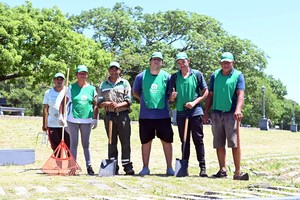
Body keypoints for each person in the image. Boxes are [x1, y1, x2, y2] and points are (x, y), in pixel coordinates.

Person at [203, 52, 249, 180]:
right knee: (218, 143)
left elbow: (241, 94)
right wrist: (206, 111)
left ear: (233, 63)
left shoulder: (238, 75)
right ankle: (222, 170)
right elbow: (210, 95)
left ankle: (237, 172)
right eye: (223, 62)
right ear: (220, 63)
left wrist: (238, 109)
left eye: (228, 62)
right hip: (217, 112)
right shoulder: (215, 75)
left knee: (234, 143)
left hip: (231, 113)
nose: (226, 64)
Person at [133, 52, 175, 176]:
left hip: (163, 116)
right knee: (145, 142)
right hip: (145, 116)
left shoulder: (167, 77)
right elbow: (135, 92)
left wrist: (171, 98)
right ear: (150, 61)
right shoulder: (141, 76)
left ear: (162, 63)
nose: (156, 62)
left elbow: (170, 95)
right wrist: (144, 100)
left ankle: (169, 167)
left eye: (159, 60)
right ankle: (145, 167)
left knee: (167, 141)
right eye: (154, 59)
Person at [169, 52, 209, 177]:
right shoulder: (174, 77)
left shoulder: (196, 74)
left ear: (188, 61)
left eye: (183, 62)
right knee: (184, 140)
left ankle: (202, 167)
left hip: (195, 112)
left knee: (198, 139)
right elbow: (170, 97)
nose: (181, 65)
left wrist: (194, 102)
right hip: (181, 112)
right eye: (179, 63)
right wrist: (172, 96)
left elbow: (205, 92)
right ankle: (183, 167)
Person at [58, 65, 98, 175]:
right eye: (80, 73)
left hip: (87, 120)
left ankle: (89, 166)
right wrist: (61, 115)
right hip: (73, 119)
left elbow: (95, 105)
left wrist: (95, 118)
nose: (82, 75)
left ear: (87, 75)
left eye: (84, 73)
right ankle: (73, 167)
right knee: (73, 143)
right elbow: (63, 102)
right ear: (76, 75)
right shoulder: (71, 87)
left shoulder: (91, 89)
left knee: (86, 144)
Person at [97, 61, 134, 175]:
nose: (114, 71)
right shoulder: (103, 85)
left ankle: (127, 166)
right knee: (111, 142)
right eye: (111, 69)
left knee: (125, 141)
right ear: (109, 70)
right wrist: (107, 103)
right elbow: (99, 102)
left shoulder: (125, 83)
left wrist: (118, 105)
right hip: (109, 116)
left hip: (122, 115)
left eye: (116, 69)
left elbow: (129, 100)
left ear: (119, 70)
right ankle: (113, 166)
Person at [42, 72, 70, 152]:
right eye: (57, 79)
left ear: (64, 81)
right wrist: (45, 123)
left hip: (66, 124)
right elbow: (45, 108)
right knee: (56, 148)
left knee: (69, 147)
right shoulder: (48, 92)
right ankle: (58, 164)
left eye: (61, 79)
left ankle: (69, 164)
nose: (59, 81)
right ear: (54, 80)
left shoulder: (68, 91)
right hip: (52, 124)